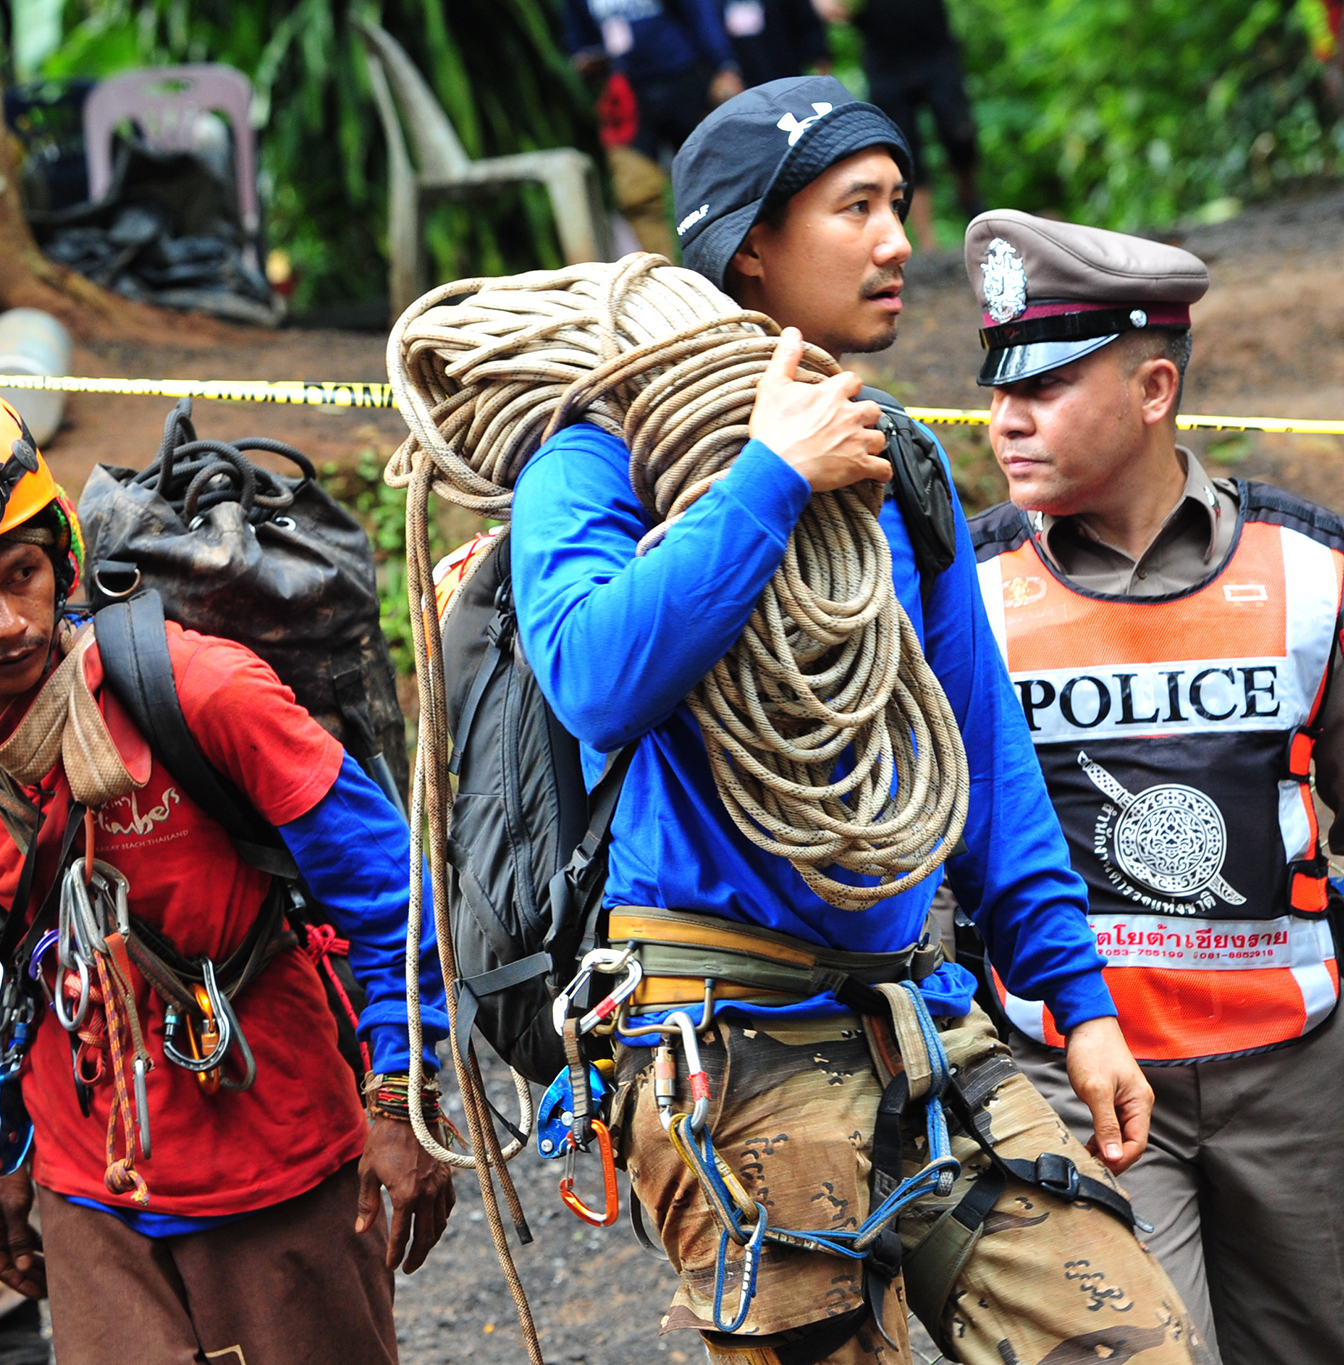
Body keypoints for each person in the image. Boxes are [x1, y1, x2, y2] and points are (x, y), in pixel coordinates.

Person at [509, 78, 1196, 1364]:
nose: (896, 241)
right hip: (721, 1028)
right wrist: (768, 476)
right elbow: (592, 678)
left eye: (895, 203)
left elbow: (981, 764)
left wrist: (1080, 1003)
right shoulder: (598, 455)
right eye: (855, 207)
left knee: (1131, 1341)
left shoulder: (898, 465)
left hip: (919, 1013)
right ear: (749, 244)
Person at [0, 376, 454, 1364]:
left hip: (275, 1160)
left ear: (61, 561)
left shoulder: (201, 691)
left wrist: (398, 1102)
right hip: (89, 1191)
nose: (6, 623)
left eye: (23, 576)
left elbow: (388, 892)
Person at [963, 210, 1344, 1365]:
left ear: (1152, 388)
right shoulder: (963, 594)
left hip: (1296, 1078)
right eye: (996, 391)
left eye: (1045, 387)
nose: (1003, 419)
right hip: (1073, 1080)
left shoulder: (1309, 571)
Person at [565, 0, 745, 258]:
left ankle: (725, 265)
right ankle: (665, 279)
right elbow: (579, 39)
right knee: (636, 194)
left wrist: (723, 65)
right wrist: (586, 58)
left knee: (713, 180)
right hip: (627, 96)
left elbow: (700, 13)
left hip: (684, 81)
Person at [812, 0, 981, 251]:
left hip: (935, 50)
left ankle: (968, 196)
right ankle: (927, 244)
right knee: (903, 149)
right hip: (885, 61)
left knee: (959, 133)